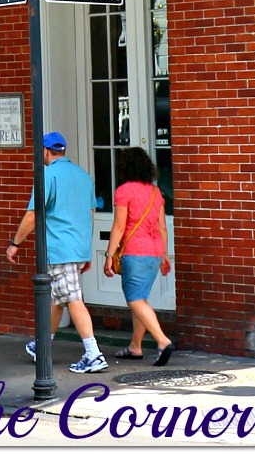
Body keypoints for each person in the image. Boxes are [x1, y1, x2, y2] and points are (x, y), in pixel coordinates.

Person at [5, 131, 107, 374]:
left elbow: (33, 215)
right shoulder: (83, 176)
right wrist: (87, 252)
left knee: (72, 298)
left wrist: (15, 243)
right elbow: (89, 215)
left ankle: (93, 353)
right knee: (59, 297)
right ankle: (42, 345)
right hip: (77, 246)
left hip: (59, 248)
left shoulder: (47, 175)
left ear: (46, 152)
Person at [103, 146, 174, 365]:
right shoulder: (155, 192)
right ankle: (135, 346)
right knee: (140, 298)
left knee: (134, 299)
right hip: (154, 251)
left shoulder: (124, 191)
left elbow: (119, 226)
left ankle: (162, 341)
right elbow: (163, 227)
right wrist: (164, 254)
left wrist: (109, 254)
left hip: (134, 251)